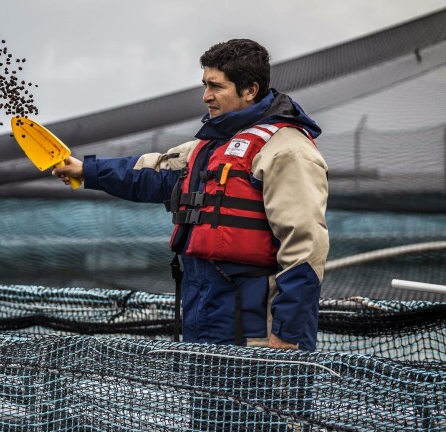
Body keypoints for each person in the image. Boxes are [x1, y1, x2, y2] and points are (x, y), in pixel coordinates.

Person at [52, 39, 328, 352]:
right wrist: (85, 170)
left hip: (258, 333)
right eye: (204, 84)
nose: (205, 96)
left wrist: (287, 334)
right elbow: (148, 172)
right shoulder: (209, 146)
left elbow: (305, 249)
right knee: (204, 402)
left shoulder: (288, 150)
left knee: (259, 403)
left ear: (250, 90)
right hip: (206, 316)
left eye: (216, 86)